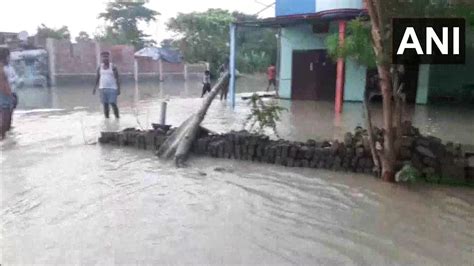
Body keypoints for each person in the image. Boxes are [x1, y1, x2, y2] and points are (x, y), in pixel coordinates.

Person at [93, 52, 121, 119]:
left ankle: (117, 118)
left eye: (106, 56)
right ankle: (107, 119)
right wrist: (94, 88)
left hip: (112, 88)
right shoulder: (99, 67)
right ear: (101, 58)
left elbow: (117, 78)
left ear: (109, 57)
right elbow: (97, 77)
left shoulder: (113, 67)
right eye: (103, 57)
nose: (105, 58)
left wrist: (118, 89)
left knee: (112, 103)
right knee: (105, 105)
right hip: (102, 88)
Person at [0, 48, 13, 139]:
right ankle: (3, 137)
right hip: (4, 93)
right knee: (5, 116)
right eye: (8, 56)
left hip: (8, 93)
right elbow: (3, 82)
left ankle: (5, 137)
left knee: (7, 116)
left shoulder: (7, 67)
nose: (10, 58)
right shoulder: (2, 68)